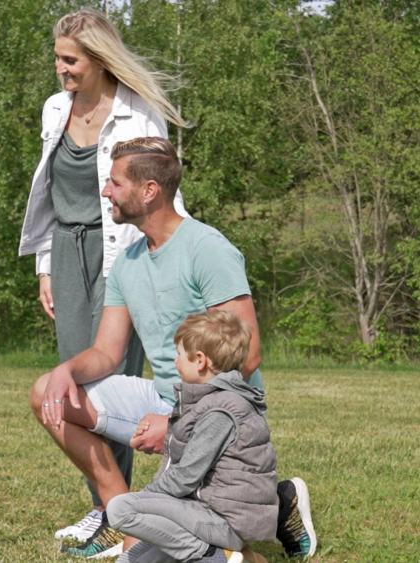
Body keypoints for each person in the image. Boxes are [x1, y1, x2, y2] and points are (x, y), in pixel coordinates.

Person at [29, 138, 316, 559]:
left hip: (221, 411)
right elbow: (107, 353)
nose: (105, 191)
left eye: (114, 182)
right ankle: (115, 512)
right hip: (164, 396)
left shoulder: (208, 249)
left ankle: (278, 503)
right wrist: (65, 372)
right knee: (46, 393)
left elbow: (248, 355)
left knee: (173, 543)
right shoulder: (126, 261)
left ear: (149, 191)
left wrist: (179, 422)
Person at [17, 9, 189, 543]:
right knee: (70, 385)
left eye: (70, 61)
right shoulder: (55, 109)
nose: (61, 70)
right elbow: (49, 195)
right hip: (68, 255)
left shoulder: (139, 115)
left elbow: (166, 193)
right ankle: (112, 507)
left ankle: (120, 515)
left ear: (98, 59)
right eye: (57, 60)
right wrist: (47, 266)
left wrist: (171, 264)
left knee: (109, 384)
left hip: (126, 252)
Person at [106, 310, 277, 563]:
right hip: (203, 515)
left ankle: (214, 555)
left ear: (200, 360)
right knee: (128, 561)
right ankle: (244, 559)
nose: (175, 362)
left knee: (120, 509)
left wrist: (146, 495)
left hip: (223, 522)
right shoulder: (209, 402)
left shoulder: (221, 410)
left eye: (179, 354)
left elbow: (186, 476)